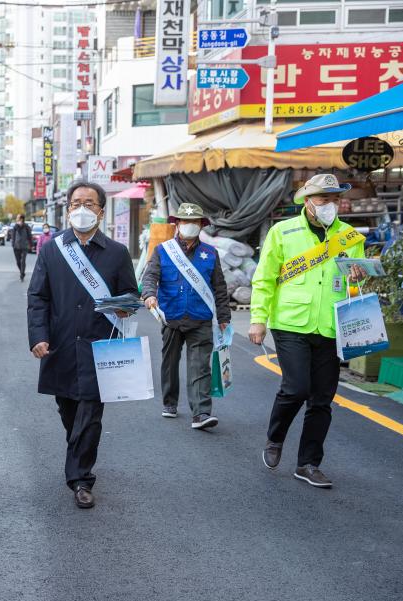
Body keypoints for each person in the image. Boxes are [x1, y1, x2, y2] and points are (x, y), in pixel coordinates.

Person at [249, 174, 367, 489]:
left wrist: (358, 277)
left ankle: (309, 463)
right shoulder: (282, 232)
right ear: (307, 201)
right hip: (290, 322)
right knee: (297, 388)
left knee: (322, 399)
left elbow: (354, 286)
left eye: (334, 198)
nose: (329, 204)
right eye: (322, 198)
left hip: (330, 325)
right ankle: (275, 438)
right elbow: (264, 279)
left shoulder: (351, 237)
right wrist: (258, 318)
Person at [27, 181, 139, 509]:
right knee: (69, 410)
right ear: (67, 210)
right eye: (76, 203)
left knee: (90, 413)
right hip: (60, 345)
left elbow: (130, 297)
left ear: (101, 212)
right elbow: (38, 296)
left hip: (100, 346)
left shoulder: (116, 253)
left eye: (89, 203)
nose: (82, 209)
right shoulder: (52, 249)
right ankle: (78, 452)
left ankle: (81, 478)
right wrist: (38, 336)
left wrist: (125, 305)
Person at [141, 203, 231, 429]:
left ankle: (201, 413)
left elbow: (219, 287)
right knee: (170, 362)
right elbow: (150, 276)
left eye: (194, 222)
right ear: (177, 224)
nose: (189, 226)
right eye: (185, 221)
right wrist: (149, 295)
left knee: (200, 366)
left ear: (201, 225)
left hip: (200, 317)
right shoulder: (163, 250)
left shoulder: (210, 254)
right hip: (171, 316)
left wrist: (223, 317)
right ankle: (169, 402)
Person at [9, 214, 32, 282]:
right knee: (18, 262)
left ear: (21, 219)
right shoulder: (15, 227)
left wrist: (31, 244)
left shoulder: (26, 227)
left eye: (18, 218)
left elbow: (29, 236)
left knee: (23, 261)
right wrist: (13, 244)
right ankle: (22, 272)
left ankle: (22, 274)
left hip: (24, 246)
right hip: (16, 247)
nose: (17, 219)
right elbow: (13, 236)